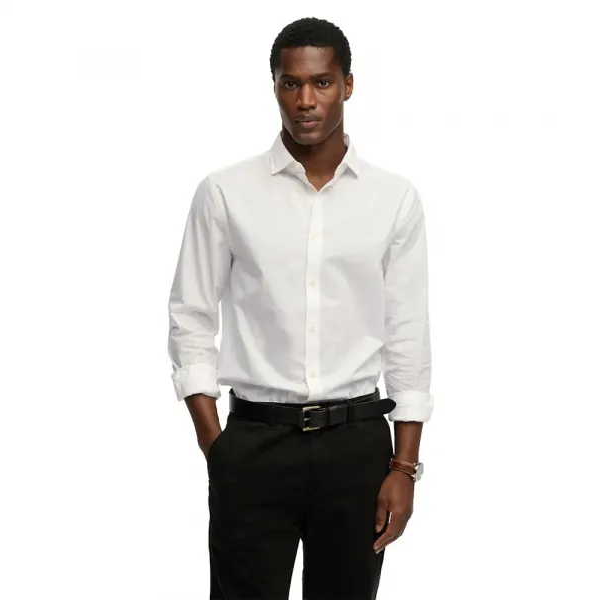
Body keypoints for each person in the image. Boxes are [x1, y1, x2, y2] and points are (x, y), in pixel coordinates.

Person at [167, 16, 434, 600]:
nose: (306, 100)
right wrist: (217, 447)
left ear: (348, 85)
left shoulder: (393, 199)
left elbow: (408, 335)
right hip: (255, 443)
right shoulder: (225, 193)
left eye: (322, 82)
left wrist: (403, 467)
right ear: (275, 87)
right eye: (291, 84)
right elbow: (190, 317)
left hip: (357, 446)